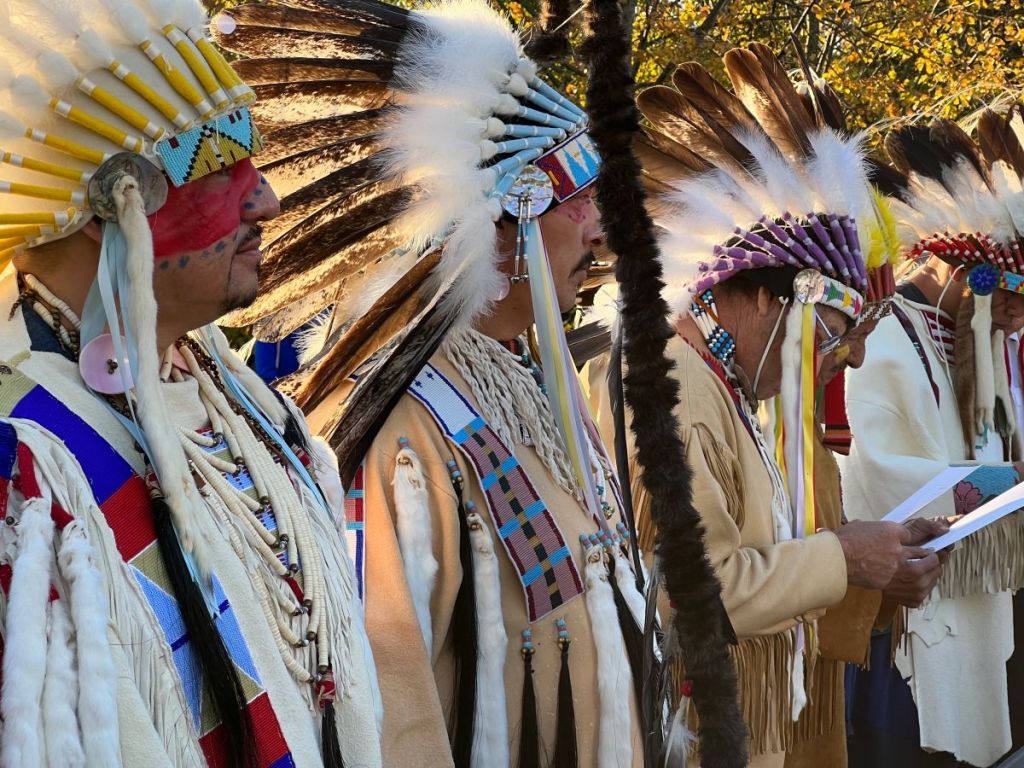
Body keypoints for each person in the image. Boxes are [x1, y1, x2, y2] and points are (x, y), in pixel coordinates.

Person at [216, 0, 715, 765]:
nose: (601, 231)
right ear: (498, 225)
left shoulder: (529, 385)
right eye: (577, 203)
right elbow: (389, 711)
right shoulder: (406, 429)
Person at [0, 1, 382, 765]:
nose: (267, 199)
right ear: (102, 209)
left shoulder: (231, 387)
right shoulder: (28, 467)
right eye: (216, 166)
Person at [596, 48, 949, 766]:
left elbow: (771, 555)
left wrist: (876, 565)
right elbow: (699, 588)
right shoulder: (672, 389)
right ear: (758, 296)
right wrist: (848, 556)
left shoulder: (723, 386)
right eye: (831, 330)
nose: (844, 359)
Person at [842, 115, 1024, 767]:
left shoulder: (996, 343)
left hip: (994, 597)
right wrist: (1011, 490)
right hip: (914, 605)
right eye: (1009, 289)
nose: (1016, 312)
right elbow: (884, 476)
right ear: (968, 272)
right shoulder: (887, 336)